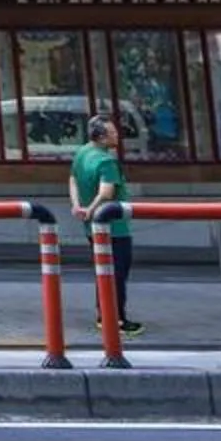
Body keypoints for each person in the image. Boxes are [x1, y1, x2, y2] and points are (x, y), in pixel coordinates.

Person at [71, 112, 142, 338]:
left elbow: (72, 179)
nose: (117, 135)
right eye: (112, 132)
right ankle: (116, 319)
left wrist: (78, 206)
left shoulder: (82, 152)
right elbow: (107, 193)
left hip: (92, 228)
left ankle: (103, 315)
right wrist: (92, 209)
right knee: (117, 274)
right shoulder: (107, 161)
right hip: (115, 228)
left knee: (102, 271)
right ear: (101, 137)